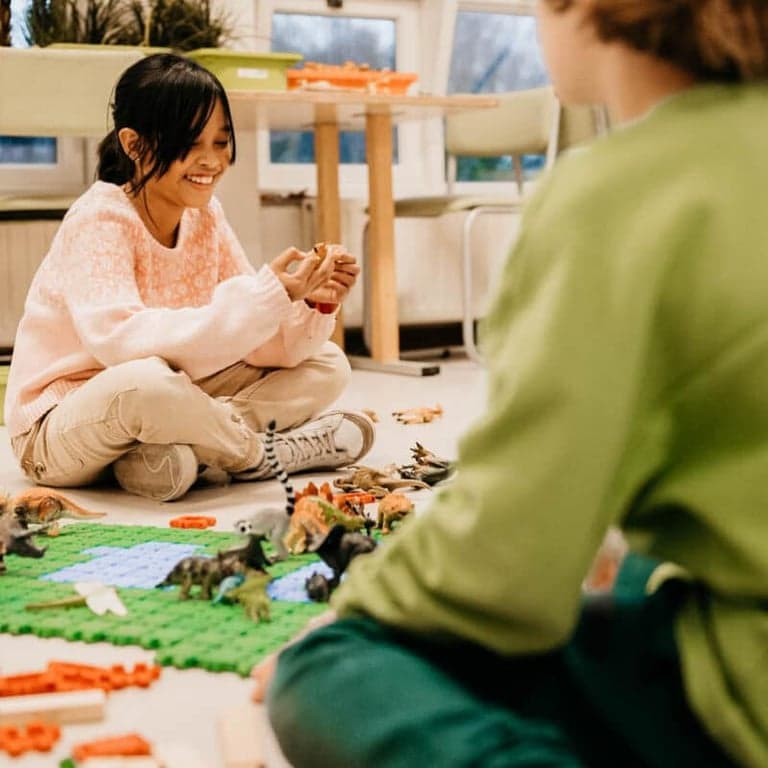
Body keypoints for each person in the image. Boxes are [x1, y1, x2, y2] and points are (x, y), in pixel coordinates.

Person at [263, 1, 768, 765]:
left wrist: (353, 617)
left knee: (325, 669)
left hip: (745, 700)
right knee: (635, 576)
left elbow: (502, 574)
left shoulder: (615, 193)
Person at [3, 53, 374, 502]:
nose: (211, 161)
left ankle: (170, 455)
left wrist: (309, 302)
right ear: (134, 145)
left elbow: (257, 344)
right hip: (58, 426)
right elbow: (120, 344)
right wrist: (265, 298)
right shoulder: (99, 219)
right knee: (147, 382)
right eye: (190, 143)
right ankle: (256, 454)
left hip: (166, 399)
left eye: (221, 142)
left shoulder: (206, 216)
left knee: (326, 364)